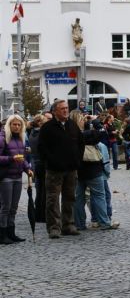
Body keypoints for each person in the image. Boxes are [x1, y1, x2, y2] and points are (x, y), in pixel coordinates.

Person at [38, 99, 84, 239]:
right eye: (62, 108)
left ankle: (68, 225)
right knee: (52, 199)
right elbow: (42, 149)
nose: (65, 110)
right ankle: (54, 227)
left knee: (70, 198)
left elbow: (81, 144)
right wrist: (52, 162)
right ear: (55, 111)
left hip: (71, 169)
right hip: (54, 170)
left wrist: (77, 161)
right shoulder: (47, 128)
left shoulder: (72, 125)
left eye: (67, 108)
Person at [70, 111, 117, 230]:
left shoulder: (70, 135)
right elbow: (102, 132)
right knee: (99, 196)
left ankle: (79, 224)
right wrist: (94, 120)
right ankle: (104, 222)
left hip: (77, 171)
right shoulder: (88, 134)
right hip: (93, 170)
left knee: (78, 198)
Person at [0, 115, 34, 244]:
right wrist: (11, 159)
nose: (17, 126)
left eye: (19, 124)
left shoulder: (20, 139)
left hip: (18, 176)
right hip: (6, 177)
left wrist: (27, 169)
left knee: (13, 207)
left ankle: (11, 233)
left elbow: (23, 158)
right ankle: (2, 234)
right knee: (5, 207)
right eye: (14, 124)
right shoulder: (3, 138)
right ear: (9, 125)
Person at [28, 114, 47, 223]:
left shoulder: (32, 133)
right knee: (44, 191)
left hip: (36, 163)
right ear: (40, 123)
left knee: (39, 190)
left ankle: (38, 214)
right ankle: (42, 214)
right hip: (42, 163)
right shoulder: (41, 133)